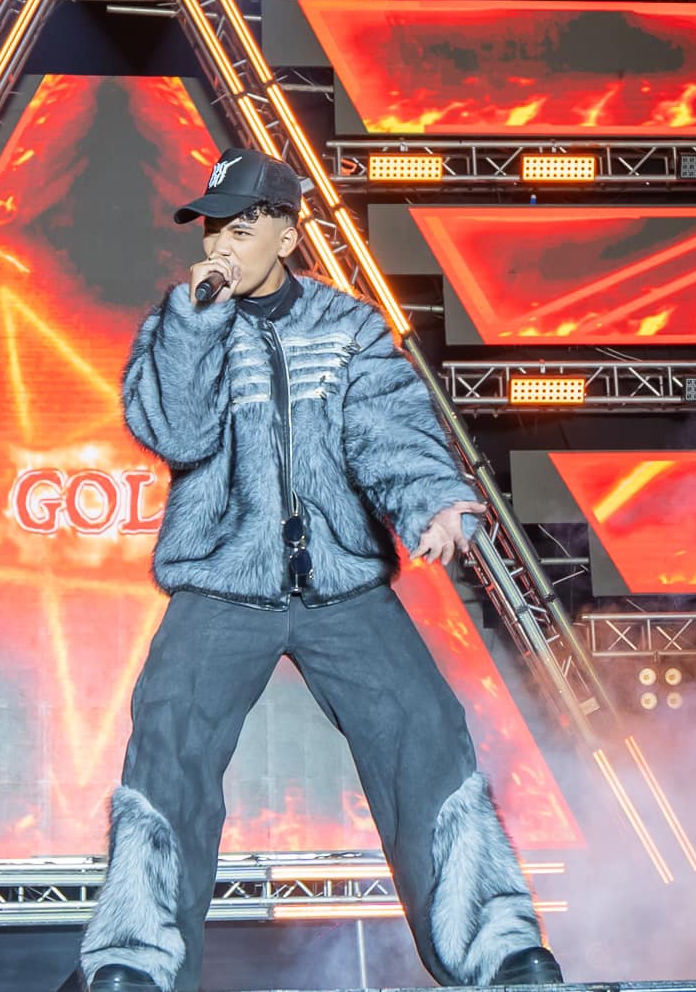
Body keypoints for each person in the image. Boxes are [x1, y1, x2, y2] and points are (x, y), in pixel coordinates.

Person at [77, 149, 564, 991]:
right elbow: (176, 430)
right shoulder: (186, 322)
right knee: (168, 735)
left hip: (342, 586)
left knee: (425, 727)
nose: (221, 245)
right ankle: (135, 958)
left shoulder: (349, 327)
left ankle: (494, 946)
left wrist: (433, 500)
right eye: (212, 229)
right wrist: (195, 322)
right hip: (224, 582)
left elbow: (390, 427)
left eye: (241, 228)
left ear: (286, 234)